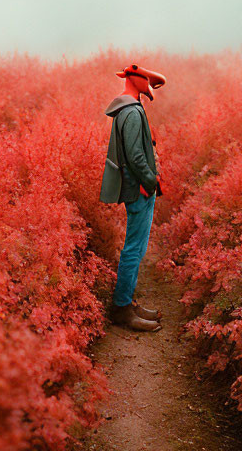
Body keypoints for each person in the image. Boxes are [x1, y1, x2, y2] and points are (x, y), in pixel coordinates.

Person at [99, 63, 166, 332]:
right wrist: (151, 181)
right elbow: (136, 156)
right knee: (134, 249)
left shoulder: (127, 109)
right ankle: (122, 308)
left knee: (135, 248)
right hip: (139, 189)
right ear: (135, 78)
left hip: (137, 187)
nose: (150, 84)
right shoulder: (133, 113)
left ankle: (127, 302)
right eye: (147, 79)